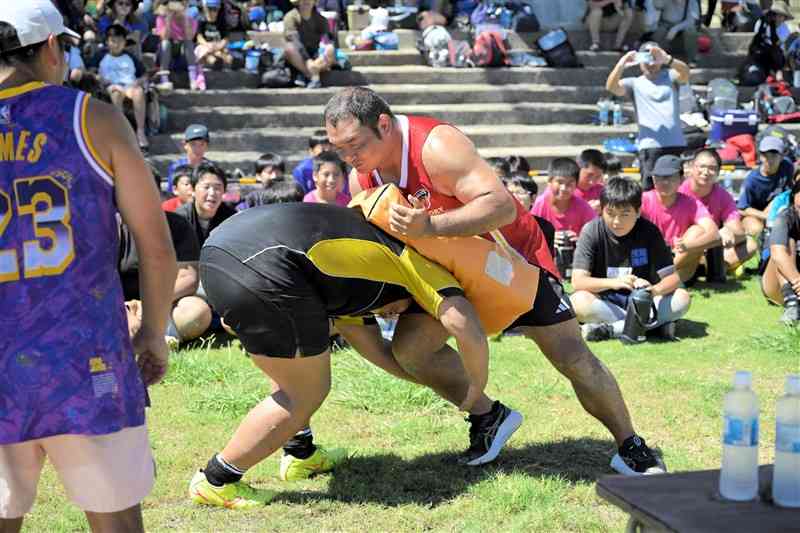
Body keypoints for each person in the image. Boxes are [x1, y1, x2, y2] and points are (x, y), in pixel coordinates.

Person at [327, 87, 666, 476]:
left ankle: (630, 444)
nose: (349, 158)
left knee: (572, 357)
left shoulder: (436, 147)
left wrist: (431, 225)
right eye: (339, 149)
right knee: (409, 350)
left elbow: (501, 207)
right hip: (452, 272)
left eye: (354, 145)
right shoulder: (361, 179)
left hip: (513, 262)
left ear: (383, 124)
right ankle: (488, 417)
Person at [187, 202, 523, 508]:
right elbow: (464, 323)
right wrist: (476, 387)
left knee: (294, 369)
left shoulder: (354, 283)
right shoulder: (412, 261)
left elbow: (377, 351)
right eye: (400, 313)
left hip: (223, 251)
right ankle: (218, 479)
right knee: (303, 392)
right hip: (264, 265)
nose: (392, 318)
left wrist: (432, 380)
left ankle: (301, 453)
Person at [0, 2, 177, 532]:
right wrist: (152, 333)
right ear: (51, 48)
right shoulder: (94, 117)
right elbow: (156, 246)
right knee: (116, 520)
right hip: (84, 356)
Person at [571, 177, 692, 342]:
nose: (616, 221)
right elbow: (578, 282)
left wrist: (652, 291)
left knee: (682, 298)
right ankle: (651, 326)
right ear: (601, 210)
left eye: (625, 214)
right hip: (605, 300)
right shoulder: (591, 231)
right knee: (578, 301)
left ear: (638, 211)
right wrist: (615, 283)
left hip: (644, 301)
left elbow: (673, 278)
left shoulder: (650, 232)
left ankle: (611, 330)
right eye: (610, 213)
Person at [606, 42, 690, 191]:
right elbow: (611, 87)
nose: (650, 63)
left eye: (653, 58)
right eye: (646, 58)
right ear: (640, 61)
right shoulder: (634, 83)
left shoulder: (671, 76)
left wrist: (667, 59)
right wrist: (622, 63)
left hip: (675, 142)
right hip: (650, 146)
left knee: (678, 189)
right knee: (649, 190)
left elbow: (685, 73)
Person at [679, 149, 758, 277]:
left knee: (750, 244)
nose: (706, 172)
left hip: (710, 248)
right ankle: (716, 268)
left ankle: (710, 269)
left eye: (712, 168)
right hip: (684, 245)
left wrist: (728, 231)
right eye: (702, 167)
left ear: (718, 172)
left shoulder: (723, 196)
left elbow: (738, 231)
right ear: (692, 168)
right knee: (696, 231)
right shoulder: (679, 191)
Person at [640, 155, 720, 282]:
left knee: (698, 231)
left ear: (681, 179)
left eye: (670, 177)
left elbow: (715, 235)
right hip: (649, 259)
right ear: (654, 179)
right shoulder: (643, 200)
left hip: (677, 259)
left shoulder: (691, 203)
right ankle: (663, 278)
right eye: (660, 177)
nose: (665, 182)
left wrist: (688, 246)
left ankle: (660, 277)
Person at [531, 158, 597, 278]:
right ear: (549, 182)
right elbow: (532, 232)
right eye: (559, 182)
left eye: (569, 184)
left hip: (576, 260)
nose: (563, 188)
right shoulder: (541, 203)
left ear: (576, 185)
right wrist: (550, 237)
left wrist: (580, 239)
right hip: (547, 258)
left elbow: (595, 234)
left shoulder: (583, 206)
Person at [88, 23, 149, 149]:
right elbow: (90, 72)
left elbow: (144, 75)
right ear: (107, 42)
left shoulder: (129, 56)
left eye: (120, 41)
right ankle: (121, 132)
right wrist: (99, 78)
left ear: (125, 42)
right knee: (116, 93)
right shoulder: (101, 55)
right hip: (111, 85)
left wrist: (139, 81)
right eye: (113, 41)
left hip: (129, 86)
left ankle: (140, 131)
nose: (116, 44)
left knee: (138, 92)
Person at [738, 136, 795, 240]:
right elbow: (742, 208)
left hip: (780, 208)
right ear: (760, 157)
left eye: (774, 155)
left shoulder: (787, 166)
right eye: (765, 155)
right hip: (757, 215)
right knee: (756, 229)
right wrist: (768, 216)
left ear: (782, 157)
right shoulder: (752, 180)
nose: (769, 160)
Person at [761, 180, 800, 324]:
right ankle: (792, 305)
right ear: (794, 197)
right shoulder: (784, 217)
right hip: (777, 284)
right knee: (787, 242)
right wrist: (798, 282)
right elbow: (777, 254)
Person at [175, 161, 236, 247]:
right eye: (206, 187)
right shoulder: (180, 218)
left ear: (224, 191)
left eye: (217, 188)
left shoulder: (231, 219)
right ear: (193, 190)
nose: (212, 193)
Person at [282, 0, 335, 89]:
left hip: (317, 55)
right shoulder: (290, 17)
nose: (306, 1)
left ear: (314, 2)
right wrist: (307, 60)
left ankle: (311, 75)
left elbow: (326, 41)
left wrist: (317, 60)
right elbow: (295, 41)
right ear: (298, 2)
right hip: (298, 55)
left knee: (330, 49)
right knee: (289, 48)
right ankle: (312, 76)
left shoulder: (321, 19)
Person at [155, 0, 202, 91]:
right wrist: (168, 19)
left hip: (183, 57)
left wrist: (184, 18)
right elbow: (164, 37)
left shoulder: (191, 20)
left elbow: (190, 37)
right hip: (166, 57)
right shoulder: (160, 18)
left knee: (188, 43)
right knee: (165, 43)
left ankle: (192, 79)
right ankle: (164, 79)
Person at [651, 0, 701, 66]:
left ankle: (691, 60)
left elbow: (690, 21)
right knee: (659, 33)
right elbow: (656, 5)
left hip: (683, 26)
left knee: (691, 32)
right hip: (665, 24)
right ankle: (657, 59)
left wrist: (675, 29)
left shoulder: (692, 2)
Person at [166, 123, 212, 193]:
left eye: (202, 144)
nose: (197, 148)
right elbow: (171, 193)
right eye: (193, 144)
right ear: (185, 145)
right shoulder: (176, 167)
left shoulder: (211, 168)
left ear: (207, 146)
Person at [195, 0, 233, 70]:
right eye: (209, 9)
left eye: (214, 10)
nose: (211, 12)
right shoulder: (201, 21)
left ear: (218, 10)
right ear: (205, 9)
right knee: (203, 52)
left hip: (218, 46)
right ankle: (214, 61)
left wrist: (218, 46)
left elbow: (225, 38)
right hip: (205, 46)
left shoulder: (222, 22)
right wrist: (207, 45)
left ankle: (218, 59)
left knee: (229, 57)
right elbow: (199, 37)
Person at [292, 129, 332, 193]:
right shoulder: (302, 171)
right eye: (323, 150)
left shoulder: (338, 166)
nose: (326, 155)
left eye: (330, 151)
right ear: (311, 151)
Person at [576, 148, 607, 213]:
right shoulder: (566, 191)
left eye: (598, 177)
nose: (592, 182)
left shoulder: (601, 191)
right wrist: (587, 210)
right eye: (589, 175)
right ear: (578, 168)